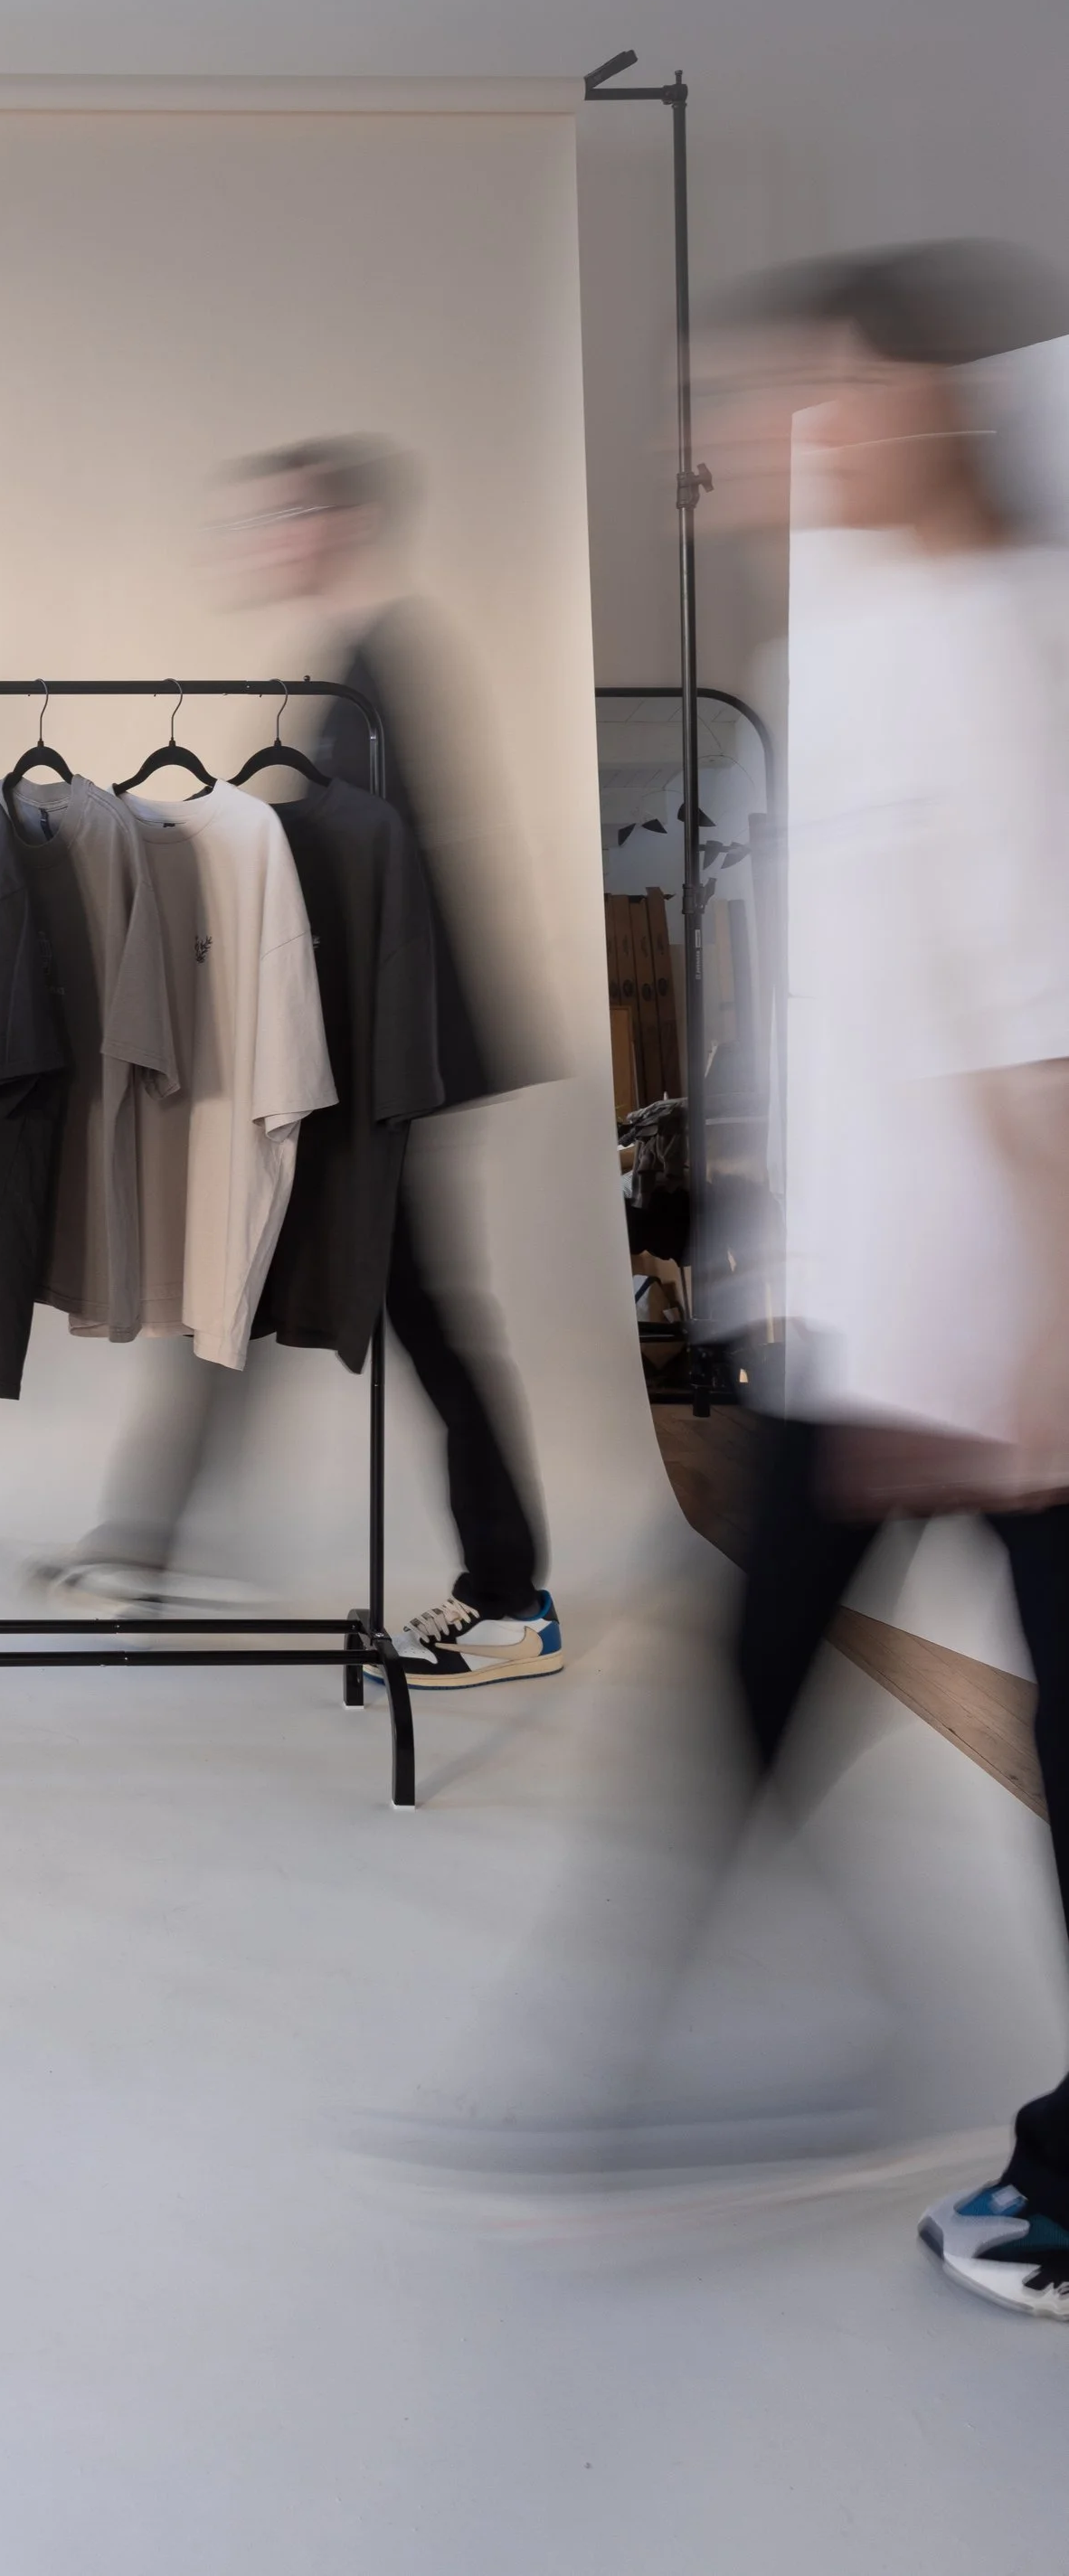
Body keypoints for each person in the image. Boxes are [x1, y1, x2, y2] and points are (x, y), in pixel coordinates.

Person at [714, 245, 1069, 2320]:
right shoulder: (853, 645)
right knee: (745, 1685)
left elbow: (1041, 1033)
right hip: (875, 1327)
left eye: (808, 399)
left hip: (1001, 1348)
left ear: (919, 409)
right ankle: (672, 2057)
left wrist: (1037, 1343)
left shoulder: (989, 643)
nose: (767, 439)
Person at [54, 439, 559, 1682]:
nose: (260, 545)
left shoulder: (378, 675)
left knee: (391, 1311)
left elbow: (384, 891)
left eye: (277, 520)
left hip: (381, 1068)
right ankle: (153, 1541)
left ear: (332, 523)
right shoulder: (351, 674)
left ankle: (509, 1595)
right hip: (364, 1061)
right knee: (282, 1278)